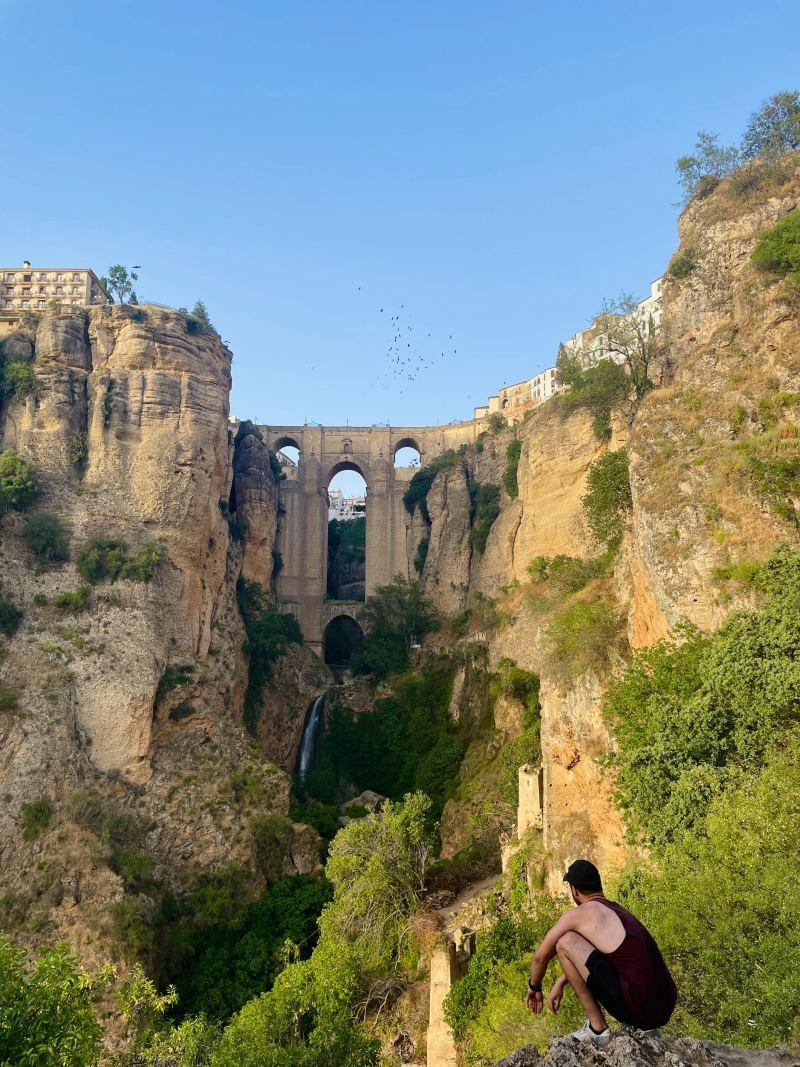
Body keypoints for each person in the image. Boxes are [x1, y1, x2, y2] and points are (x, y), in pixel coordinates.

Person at [524, 859, 677, 1046]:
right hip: (665, 1004)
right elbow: (605, 958)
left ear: (574, 890)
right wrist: (561, 981)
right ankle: (647, 1031)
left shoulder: (579, 915)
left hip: (638, 1007)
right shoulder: (619, 911)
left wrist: (535, 987)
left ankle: (598, 1030)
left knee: (564, 942)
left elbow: (540, 957)